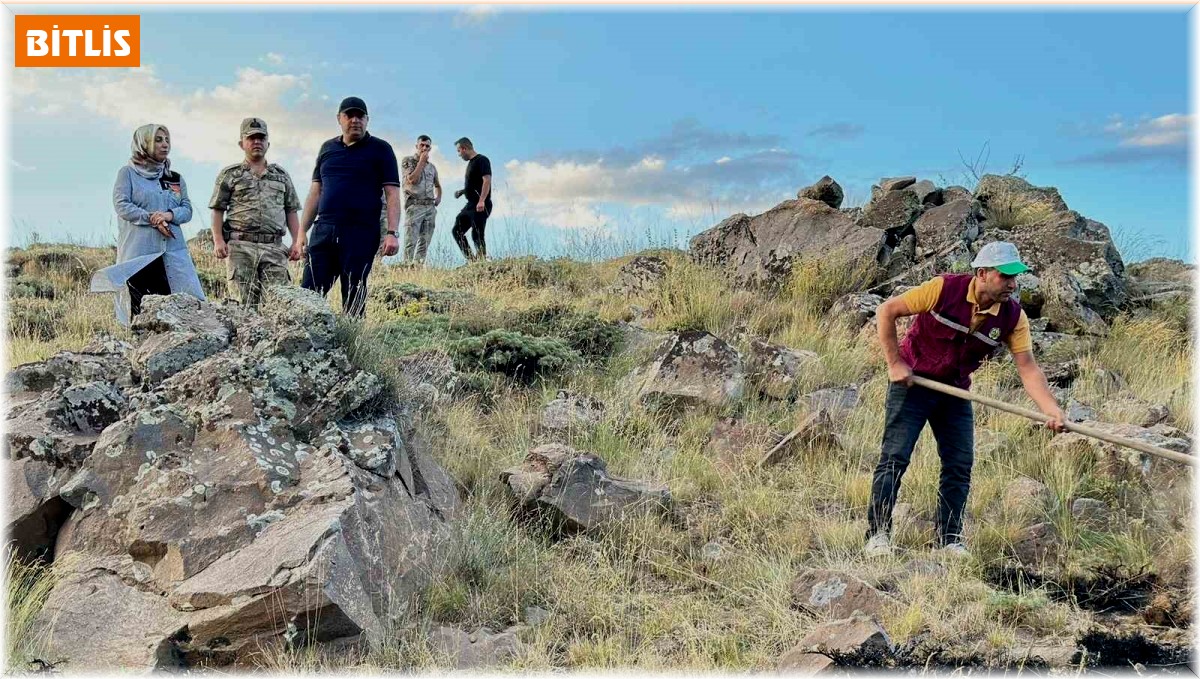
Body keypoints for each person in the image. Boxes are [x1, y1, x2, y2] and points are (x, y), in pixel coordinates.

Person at [865, 241, 1067, 559]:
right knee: (895, 458)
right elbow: (886, 311)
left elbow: (1028, 369)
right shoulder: (942, 289)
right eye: (1005, 276)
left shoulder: (1014, 318)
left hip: (955, 392)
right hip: (913, 383)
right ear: (982, 273)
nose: (1013, 284)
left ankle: (950, 539)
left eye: (1016, 277)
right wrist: (895, 363)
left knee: (959, 466)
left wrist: (1051, 409)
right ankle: (877, 535)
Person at [299, 96, 401, 316]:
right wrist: (301, 233)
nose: (355, 120)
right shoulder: (327, 148)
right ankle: (303, 343)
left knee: (354, 292)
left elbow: (392, 193)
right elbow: (315, 192)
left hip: (361, 231)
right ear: (339, 118)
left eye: (360, 116)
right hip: (324, 228)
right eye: (349, 115)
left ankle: (351, 344)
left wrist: (392, 232)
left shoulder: (381, 149)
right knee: (308, 293)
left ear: (367, 120)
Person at [96, 123, 205, 325]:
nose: (165, 144)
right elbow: (122, 205)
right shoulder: (127, 173)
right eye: (158, 140)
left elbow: (187, 209)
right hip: (140, 255)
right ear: (143, 143)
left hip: (172, 255)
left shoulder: (174, 178)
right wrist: (151, 218)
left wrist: (168, 215)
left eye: (167, 140)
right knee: (142, 313)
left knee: (176, 309)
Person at [208, 117, 304, 307]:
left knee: (278, 305)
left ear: (268, 142)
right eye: (251, 138)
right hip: (241, 247)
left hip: (274, 249)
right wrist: (218, 240)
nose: (257, 142)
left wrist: (297, 241)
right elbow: (218, 209)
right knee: (243, 308)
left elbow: (291, 210)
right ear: (242, 143)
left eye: (261, 138)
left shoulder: (281, 175)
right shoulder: (231, 175)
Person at [400, 134, 442, 263]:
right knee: (410, 240)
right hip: (415, 205)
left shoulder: (432, 167)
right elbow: (412, 180)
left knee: (425, 240)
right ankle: (406, 267)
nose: (424, 148)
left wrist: (438, 196)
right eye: (421, 145)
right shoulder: (408, 161)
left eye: (427, 146)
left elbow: (437, 185)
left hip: (429, 206)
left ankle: (417, 267)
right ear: (416, 146)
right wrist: (422, 161)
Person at [451, 137, 492, 262]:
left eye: (459, 151)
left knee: (477, 234)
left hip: (480, 204)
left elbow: (487, 180)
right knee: (457, 230)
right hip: (470, 205)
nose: (459, 154)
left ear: (464, 148)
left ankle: (482, 261)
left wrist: (482, 200)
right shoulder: (471, 163)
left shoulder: (482, 160)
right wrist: (462, 191)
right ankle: (472, 261)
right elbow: (475, 184)